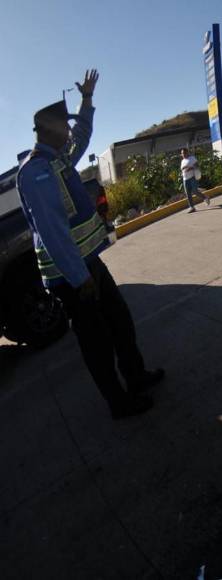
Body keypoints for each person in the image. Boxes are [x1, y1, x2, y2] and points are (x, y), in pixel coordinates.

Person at [16, 69, 164, 420]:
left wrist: (86, 100)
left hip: (88, 263)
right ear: (51, 131)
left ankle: (136, 376)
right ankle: (119, 403)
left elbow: (82, 134)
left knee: (120, 321)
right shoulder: (36, 170)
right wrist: (80, 278)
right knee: (96, 342)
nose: (69, 131)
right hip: (73, 276)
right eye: (64, 126)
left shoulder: (57, 158)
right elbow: (52, 232)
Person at [180, 148, 210, 212]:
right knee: (188, 193)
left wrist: (190, 168)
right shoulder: (182, 161)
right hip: (185, 179)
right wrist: (183, 170)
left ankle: (205, 198)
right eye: (182, 153)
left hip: (192, 177)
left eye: (184, 153)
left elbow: (197, 166)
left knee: (194, 191)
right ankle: (192, 207)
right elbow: (182, 169)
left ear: (187, 152)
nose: (183, 154)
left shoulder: (192, 158)